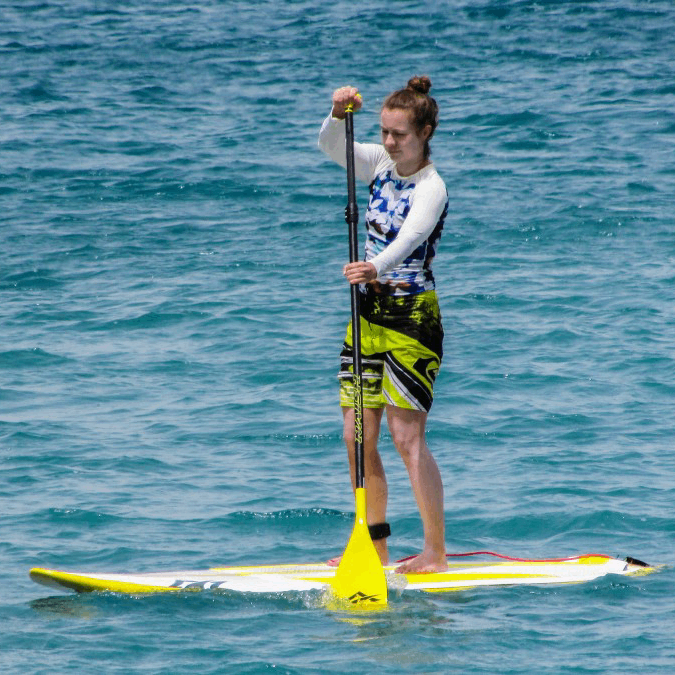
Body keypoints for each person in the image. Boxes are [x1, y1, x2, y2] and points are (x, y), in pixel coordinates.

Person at [318, 76, 449, 574]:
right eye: (384, 132)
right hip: (366, 317)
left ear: (425, 132)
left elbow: (411, 238)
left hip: (412, 319)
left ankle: (435, 552)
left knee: (406, 438)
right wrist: (337, 114)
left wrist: (374, 267)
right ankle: (373, 548)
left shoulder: (432, 187)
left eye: (400, 135)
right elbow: (332, 145)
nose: (390, 143)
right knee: (357, 435)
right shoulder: (378, 164)